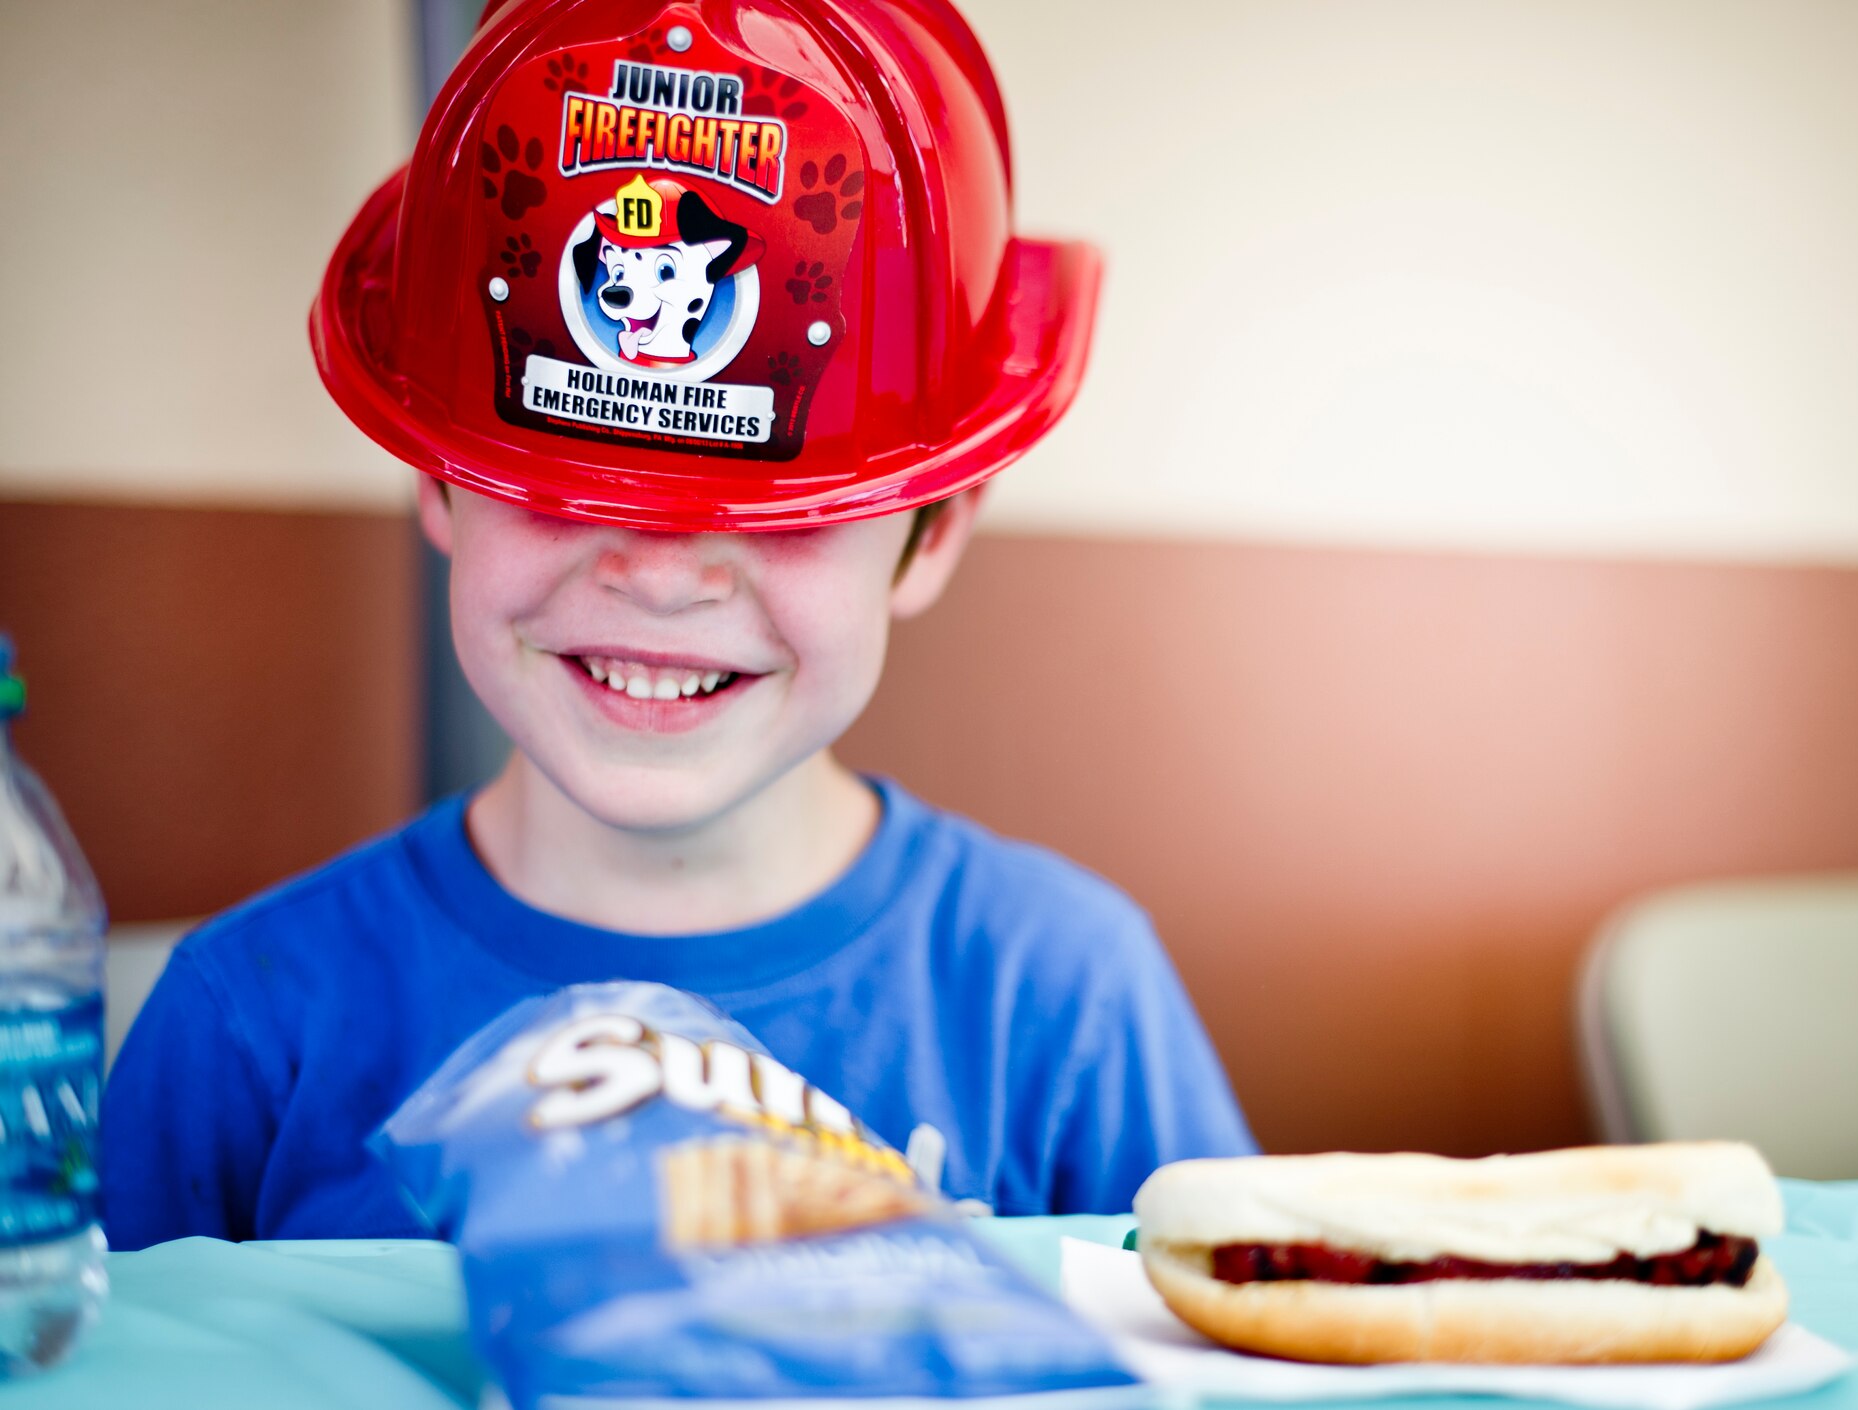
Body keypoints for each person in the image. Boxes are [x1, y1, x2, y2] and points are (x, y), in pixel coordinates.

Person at [102, 0, 1255, 1248]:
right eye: (561, 481)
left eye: (782, 507)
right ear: (434, 477)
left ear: (935, 531)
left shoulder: (1063, 998)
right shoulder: (241, 1031)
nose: (658, 579)